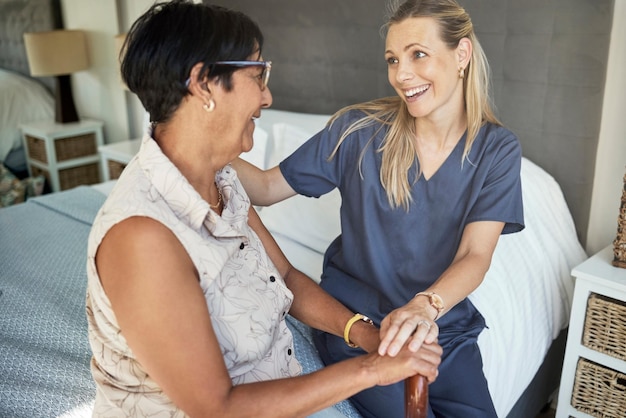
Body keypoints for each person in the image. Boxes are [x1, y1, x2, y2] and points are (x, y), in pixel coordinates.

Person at [85, 1, 441, 417]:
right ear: (204, 84)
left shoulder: (221, 178)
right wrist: (372, 370)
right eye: (258, 74)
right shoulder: (142, 237)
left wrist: (365, 334)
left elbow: (284, 277)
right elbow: (217, 409)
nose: (267, 96)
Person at [232, 0, 524, 417]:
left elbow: (475, 255)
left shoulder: (497, 150)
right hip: (359, 324)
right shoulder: (357, 132)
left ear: (461, 55)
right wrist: (198, 141)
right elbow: (263, 187)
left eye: (417, 54)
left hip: (444, 330)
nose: (401, 75)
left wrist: (425, 307)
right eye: (392, 60)